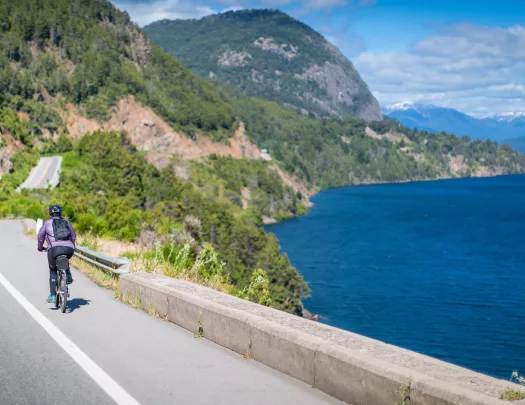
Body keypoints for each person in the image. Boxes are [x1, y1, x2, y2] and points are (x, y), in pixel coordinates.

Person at [37, 204, 77, 303]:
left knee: (53, 270)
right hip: (69, 249)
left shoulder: (47, 223)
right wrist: (71, 246)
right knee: (65, 260)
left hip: (54, 250)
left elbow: (40, 236)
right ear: (60, 212)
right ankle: (67, 273)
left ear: (50, 213)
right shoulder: (66, 222)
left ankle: (53, 295)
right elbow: (73, 236)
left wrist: (40, 247)